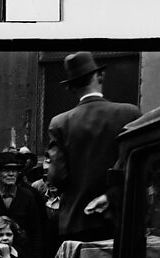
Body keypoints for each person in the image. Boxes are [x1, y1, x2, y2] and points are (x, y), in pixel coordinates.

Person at [47, 51, 142, 242]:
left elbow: (57, 177)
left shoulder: (59, 123)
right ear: (100, 76)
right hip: (121, 218)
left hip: (77, 222)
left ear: (71, 87)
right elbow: (136, 165)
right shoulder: (129, 113)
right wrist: (111, 195)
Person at [0, 151, 43, 258]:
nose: (11, 174)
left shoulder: (28, 196)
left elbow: (37, 231)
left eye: (14, 170)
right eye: (6, 170)